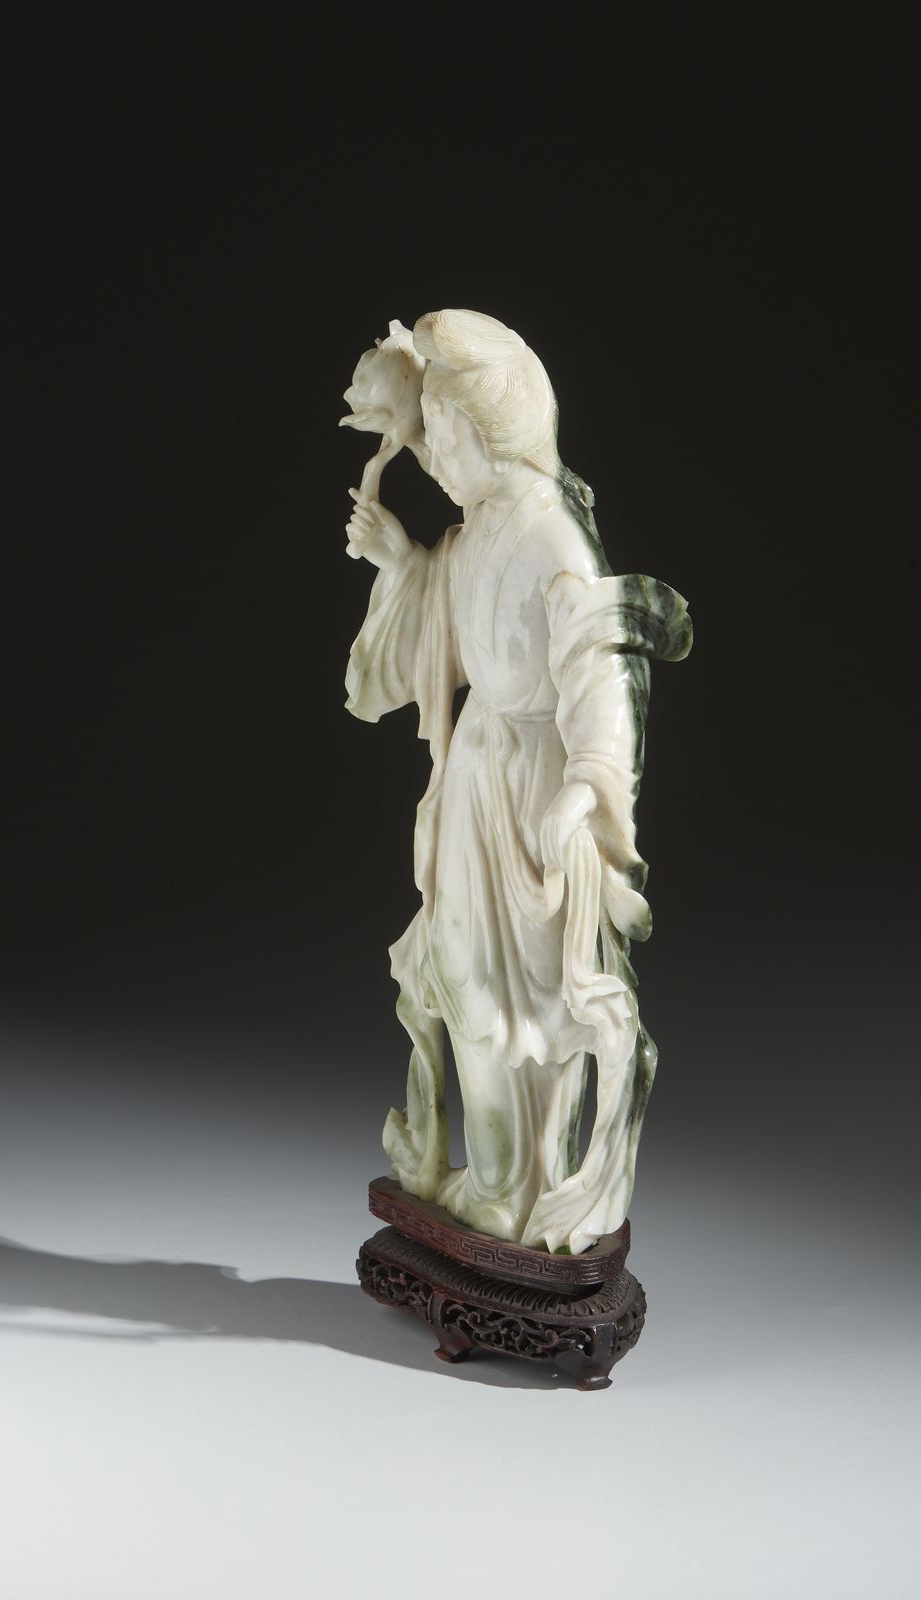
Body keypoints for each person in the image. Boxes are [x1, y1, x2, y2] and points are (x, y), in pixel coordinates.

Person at [344, 310, 691, 1255]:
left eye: (440, 432)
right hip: (475, 780)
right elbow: (451, 632)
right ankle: (495, 1181)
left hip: (532, 789)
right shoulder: (481, 526)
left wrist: (585, 788)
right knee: (465, 977)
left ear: (486, 429)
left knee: (530, 1001)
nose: (429, 456)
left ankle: (524, 1185)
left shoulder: (550, 538)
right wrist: (402, 563)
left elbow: (600, 669)